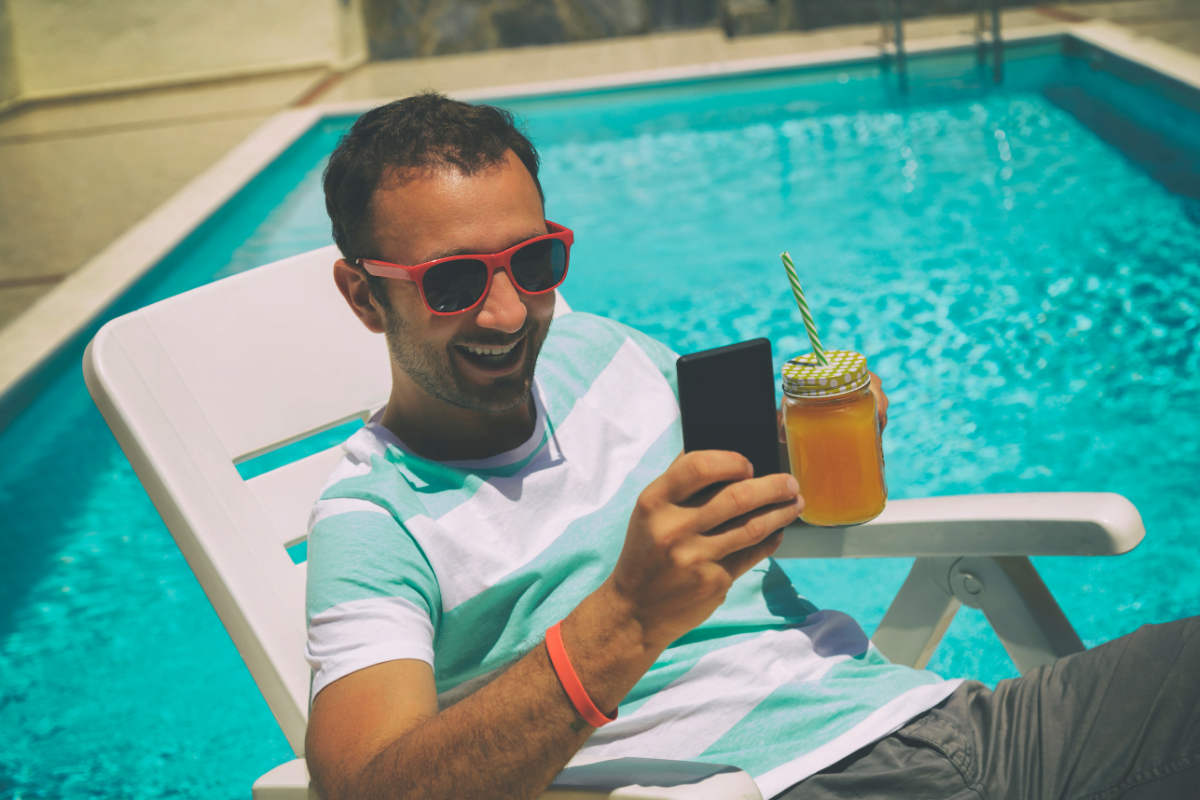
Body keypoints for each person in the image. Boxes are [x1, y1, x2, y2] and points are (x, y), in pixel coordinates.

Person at [303, 92, 1199, 800]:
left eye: (533, 262)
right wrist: (626, 617)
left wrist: (810, 454)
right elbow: (366, 789)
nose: (506, 312)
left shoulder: (605, 350)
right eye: (453, 281)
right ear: (361, 295)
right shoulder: (375, 523)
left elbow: (751, 498)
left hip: (948, 730)